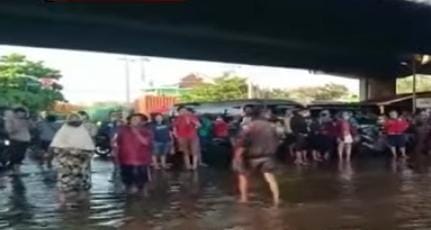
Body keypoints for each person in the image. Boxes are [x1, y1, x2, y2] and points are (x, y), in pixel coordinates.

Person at [232, 107, 280, 206]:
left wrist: (237, 157)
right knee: (270, 178)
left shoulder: (249, 127)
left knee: (243, 176)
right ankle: (276, 199)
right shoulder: (271, 126)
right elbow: (278, 140)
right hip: (268, 156)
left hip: (252, 157)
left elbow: (242, 143)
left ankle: (244, 199)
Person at [50, 113, 95, 205]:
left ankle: (83, 205)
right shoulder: (63, 131)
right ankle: (62, 205)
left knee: (82, 184)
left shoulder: (83, 131)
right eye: (72, 118)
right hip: (66, 163)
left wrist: (81, 153)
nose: (74, 120)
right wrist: (69, 151)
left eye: (76, 118)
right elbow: (56, 147)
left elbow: (90, 148)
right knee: (64, 184)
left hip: (82, 163)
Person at [116, 113, 152, 194]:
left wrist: (136, 132)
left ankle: (142, 192)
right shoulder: (122, 130)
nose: (135, 121)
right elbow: (118, 142)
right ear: (129, 121)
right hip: (125, 159)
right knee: (127, 179)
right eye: (133, 119)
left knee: (141, 179)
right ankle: (129, 192)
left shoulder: (146, 131)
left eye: (138, 119)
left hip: (141, 160)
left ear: (142, 122)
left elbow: (146, 142)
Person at [5, 107, 31, 174]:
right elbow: (9, 131)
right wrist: (18, 127)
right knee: (16, 155)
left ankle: (17, 170)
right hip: (16, 140)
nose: (21, 116)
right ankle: (15, 170)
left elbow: (33, 128)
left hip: (25, 140)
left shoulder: (26, 120)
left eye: (23, 115)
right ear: (15, 114)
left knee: (21, 155)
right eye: (20, 114)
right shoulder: (10, 120)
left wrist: (28, 121)